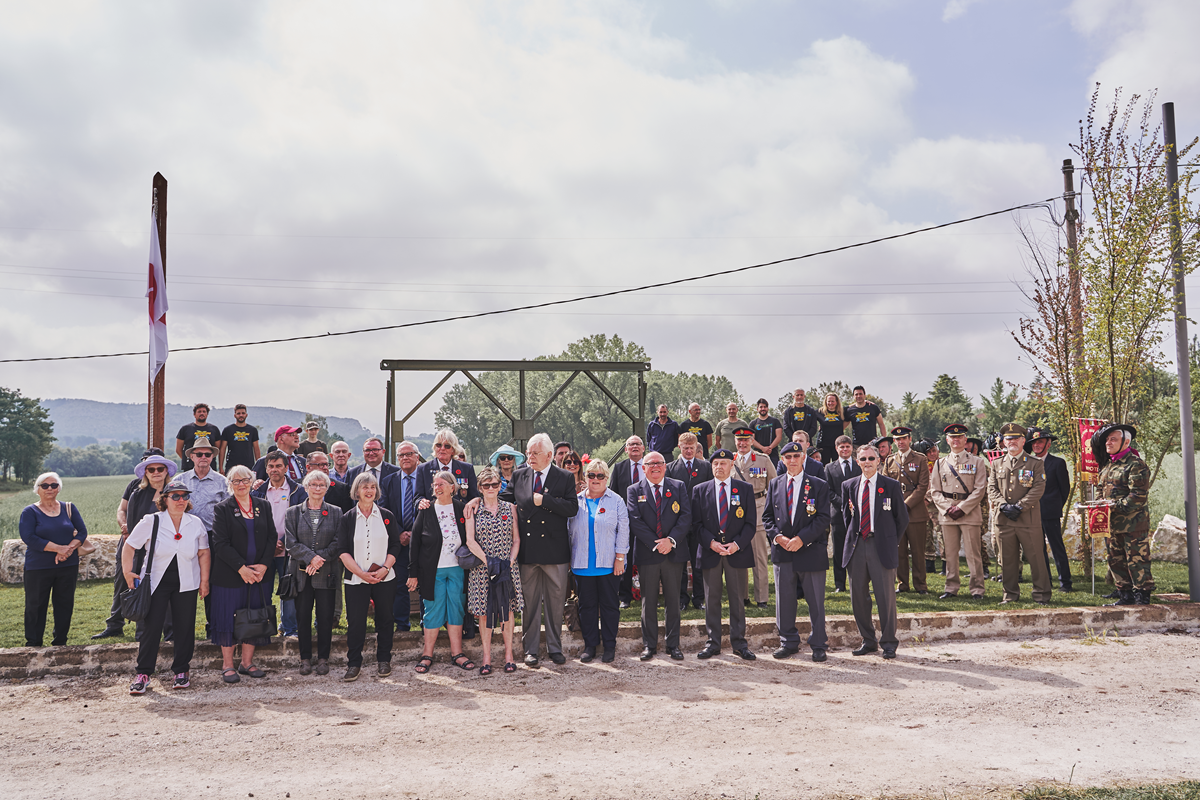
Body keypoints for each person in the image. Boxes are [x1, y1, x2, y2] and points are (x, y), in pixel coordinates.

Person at [123, 481, 210, 694]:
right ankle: (143, 673)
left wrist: (204, 580)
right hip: (156, 582)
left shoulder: (195, 523)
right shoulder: (152, 521)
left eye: (184, 496)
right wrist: (127, 572)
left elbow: (203, 552)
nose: (181, 500)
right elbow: (130, 545)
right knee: (151, 628)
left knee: (184, 627)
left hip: (187, 581)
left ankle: (181, 671)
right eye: (175, 496)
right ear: (165, 499)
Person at [512, 432, 579, 667]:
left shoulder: (564, 477)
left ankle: (554, 648)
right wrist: (477, 500)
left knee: (555, 603)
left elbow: (572, 508)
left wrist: (545, 501)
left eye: (535, 453)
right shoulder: (519, 475)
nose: (530, 457)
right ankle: (530, 650)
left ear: (549, 455)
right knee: (529, 604)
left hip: (554, 550)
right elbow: (504, 500)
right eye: (528, 453)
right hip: (528, 551)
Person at [762, 442, 831, 662]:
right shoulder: (775, 483)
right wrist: (778, 537)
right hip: (783, 551)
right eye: (788, 457)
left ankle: (818, 644)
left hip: (810, 550)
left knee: (815, 601)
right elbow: (767, 517)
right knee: (784, 600)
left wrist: (801, 539)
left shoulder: (818, 485)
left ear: (803, 458)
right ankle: (788, 642)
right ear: (782, 460)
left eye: (796, 456)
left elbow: (823, 518)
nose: (792, 460)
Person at [209, 465, 277, 684]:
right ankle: (227, 665)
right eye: (236, 481)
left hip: (259, 576)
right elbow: (220, 543)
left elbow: (272, 537)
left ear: (252, 481)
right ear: (230, 484)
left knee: (254, 616)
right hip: (230, 576)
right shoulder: (222, 509)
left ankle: (247, 663)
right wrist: (242, 568)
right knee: (228, 618)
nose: (241, 484)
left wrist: (264, 565)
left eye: (245, 480)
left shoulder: (263, 505)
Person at [93, 449, 170, 640]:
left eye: (159, 468)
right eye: (149, 467)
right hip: (135, 546)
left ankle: (168, 632)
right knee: (126, 583)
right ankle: (118, 624)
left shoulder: (173, 492)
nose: (155, 471)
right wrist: (126, 530)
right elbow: (125, 512)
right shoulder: (136, 490)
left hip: (162, 550)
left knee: (165, 590)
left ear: (166, 469)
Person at [841, 444, 909, 659]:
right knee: (858, 598)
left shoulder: (891, 485)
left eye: (871, 458)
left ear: (879, 461)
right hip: (857, 546)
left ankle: (889, 642)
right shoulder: (849, 485)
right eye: (863, 459)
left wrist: (890, 541)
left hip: (881, 547)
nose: (867, 462)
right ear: (857, 462)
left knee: (885, 598)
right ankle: (868, 641)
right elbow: (846, 517)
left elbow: (902, 519)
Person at [692, 448, 757, 661]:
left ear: (731, 465)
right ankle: (713, 644)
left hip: (736, 552)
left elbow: (750, 523)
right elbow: (696, 524)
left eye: (723, 463)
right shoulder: (700, 490)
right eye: (715, 464)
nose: (719, 467)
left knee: (737, 599)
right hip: (711, 552)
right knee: (711, 599)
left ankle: (739, 644)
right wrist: (711, 543)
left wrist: (737, 544)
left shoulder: (744, 489)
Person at [338, 472, 402, 681]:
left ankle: (384, 660)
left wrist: (385, 569)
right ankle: (354, 663)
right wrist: (361, 574)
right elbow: (342, 551)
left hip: (385, 577)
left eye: (373, 487)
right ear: (356, 491)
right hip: (356, 579)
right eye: (365, 487)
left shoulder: (386, 515)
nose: (369, 491)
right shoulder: (347, 518)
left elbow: (395, 545)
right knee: (356, 622)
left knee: (385, 619)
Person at [627, 451, 691, 661]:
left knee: (673, 600)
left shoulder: (678, 486)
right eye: (651, 463)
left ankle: (673, 645)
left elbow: (685, 516)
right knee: (649, 601)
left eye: (659, 463)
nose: (655, 466)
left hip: (673, 552)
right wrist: (657, 544)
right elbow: (635, 520)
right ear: (643, 468)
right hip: (648, 553)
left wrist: (670, 541)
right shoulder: (633, 490)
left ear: (665, 466)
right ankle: (649, 645)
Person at [408, 471, 471, 674]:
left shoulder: (461, 508)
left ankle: (457, 653)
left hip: (457, 569)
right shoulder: (426, 510)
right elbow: (415, 542)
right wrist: (413, 573)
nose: (437, 487)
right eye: (435, 484)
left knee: (456, 609)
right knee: (433, 610)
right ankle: (427, 655)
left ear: (453, 487)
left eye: (442, 484)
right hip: (432, 570)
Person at [566, 459, 628, 663]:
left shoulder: (616, 501)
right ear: (585, 477)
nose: (595, 479)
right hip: (582, 564)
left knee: (610, 606)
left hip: (609, 564)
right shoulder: (575, 501)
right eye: (591, 475)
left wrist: (620, 557)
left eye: (600, 475)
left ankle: (609, 646)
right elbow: (567, 531)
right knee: (587, 607)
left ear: (606, 478)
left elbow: (623, 531)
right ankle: (590, 645)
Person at [464, 466, 523, 674]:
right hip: (482, 569)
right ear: (480, 487)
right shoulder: (473, 510)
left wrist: (510, 561)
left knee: (507, 611)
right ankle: (486, 657)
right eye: (486, 485)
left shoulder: (510, 508)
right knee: (484, 613)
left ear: (500, 486)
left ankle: (509, 656)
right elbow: (470, 541)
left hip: (507, 567)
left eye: (494, 484)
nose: (491, 488)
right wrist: (488, 561)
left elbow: (516, 539)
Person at [285, 470, 344, 675]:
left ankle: (323, 658)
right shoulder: (292, 512)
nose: (317, 488)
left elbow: (338, 541)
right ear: (306, 487)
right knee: (303, 617)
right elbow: (291, 544)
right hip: (301, 574)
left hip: (326, 572)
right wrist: (311, 558)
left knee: (325, 617)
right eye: (313, 484)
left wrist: (319, 559)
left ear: (326, 489)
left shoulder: (336, 512)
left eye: (321, 485)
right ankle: (305, 659)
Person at [20, 472, 88, 647]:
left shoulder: (69, 508)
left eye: (54, 485)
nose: (49, 488)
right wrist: (59, 548)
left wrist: (68, 550)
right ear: (38, 489)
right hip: (38, 567)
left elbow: (82, 532)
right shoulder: (30, 512)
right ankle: (33, 644)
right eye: (45, 485)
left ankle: (60, 643)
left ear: (59, 488)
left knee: (64, 604)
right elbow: (29, 537)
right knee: (35, 606)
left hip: (68, 565)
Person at [987, 423, 1051, 605]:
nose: (1012, 441)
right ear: (1004, 442)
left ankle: (1041, 594)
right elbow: (991, 488)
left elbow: (1038, 487)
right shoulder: (997, 463)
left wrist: (1019, 507)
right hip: (1004, 519)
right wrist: (1003, 506)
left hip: (1027, 519)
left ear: (1023, 441)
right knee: (1007, 560)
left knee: (1036, 558)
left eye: (1016, 438)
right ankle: (1010, 595)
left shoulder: (1035, 463)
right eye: (1008, 439)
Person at [1093, 423, 1154, 605]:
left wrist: (1112, 506)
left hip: (1133, 524)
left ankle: (1142, 596)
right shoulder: (1108, 465)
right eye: (1107, 439)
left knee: (1137, 561)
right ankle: (1125, 595)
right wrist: (1098, 504)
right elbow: (1100, 488)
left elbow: (1138, 496)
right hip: (1112, 524)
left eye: (1113, 439)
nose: (1108, 442)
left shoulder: (1136, 465)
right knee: (1115, 560)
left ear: (1126, 442)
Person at [928, 424, 989, 599]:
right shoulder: (940, 463)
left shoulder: (977, 462)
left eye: (959, 437)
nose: (956, 440)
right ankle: (951, 587)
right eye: (952, 437)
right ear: (947, 440)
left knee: (973, 554)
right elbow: (935, 491)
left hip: (969, 513)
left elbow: (980, 489)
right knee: (950, 554)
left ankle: (977, 589)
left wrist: (962, 508)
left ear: (965, 440)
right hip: (948, 514)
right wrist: (948, 508)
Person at [251, 450, 300, 638]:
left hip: (289, 550)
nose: (274, 470)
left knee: (288, 591)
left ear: (286, 468)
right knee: (263, 591)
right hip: (264, 551)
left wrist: (283, 542)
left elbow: (300, 520)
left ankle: (289, 629)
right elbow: (253, 522)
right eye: (270, 466)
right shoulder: (257, 492)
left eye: (278, 466)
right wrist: (269, 544)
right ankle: (265, 629)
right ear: (266, 469)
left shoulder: (297, 491)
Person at [379, 440, 422, 631]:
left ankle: (427, 624)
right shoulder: (389, 481)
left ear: (417, 456)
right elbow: (383, 510)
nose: (405, 458)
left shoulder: (426, 479)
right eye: (401, 455)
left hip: (424, 541)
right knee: (400, 584)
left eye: (409, 454)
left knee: (426, 584)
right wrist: (399, 533)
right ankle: (402, 625)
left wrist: (416, 533)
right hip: (399, 542)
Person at [667, 432, 713, 610]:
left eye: (691, 448)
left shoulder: (705, 467)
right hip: (678, 523)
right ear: (679, 447)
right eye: (685, 448)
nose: (688, 451)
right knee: (679, 563)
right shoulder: (671, 468)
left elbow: (709, 494)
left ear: (696, 448)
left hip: (698, 522)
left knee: (698, 562)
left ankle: (699, 599)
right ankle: (681, 599)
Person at [732, 426, 776, 607]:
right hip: (736, 513)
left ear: (752, 441)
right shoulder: (729, 460)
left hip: (758, 509)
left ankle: (761, 598)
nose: (742, 443)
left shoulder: (763, 460)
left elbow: (774, 485)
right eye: (739, 440)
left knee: (759, 557)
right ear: (735, 441)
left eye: (746, 440)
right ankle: (742, 597)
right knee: (739, 557)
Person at [883, 427, 930, 596]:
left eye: (904, 438)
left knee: (918, 551)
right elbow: (884, 486)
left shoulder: (920, 459)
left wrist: (906, 505)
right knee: (899, 550)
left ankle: (920, 584)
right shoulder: (890, 460)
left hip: (915, 511)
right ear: (894, 442)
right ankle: (902, 583)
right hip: (895, 513)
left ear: (910, 439)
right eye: (897, 439)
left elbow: (923, 486)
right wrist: (893, 507)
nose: (901, 442)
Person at [1026, 428, 1073, 592]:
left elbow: (1064, 489)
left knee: (1056, 548)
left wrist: (1055, 506)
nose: (1036, 446)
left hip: (1050, 512)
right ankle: (1045, 580)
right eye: (1034, 443)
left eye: (1040, 442)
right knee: (1038, 550)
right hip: (1032, 513)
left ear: (1048, 444)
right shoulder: (1027, 463)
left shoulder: (1057, 463)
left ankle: (1065, 582)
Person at [608, 435, 647, 608]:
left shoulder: (650, 465)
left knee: (648, 559)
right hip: (625, 521)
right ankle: (625, 596)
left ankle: (648, 594)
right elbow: (613, 493)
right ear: (626, 449)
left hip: (648, 521)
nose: (635, 447)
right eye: (631, 444)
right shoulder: (619, 467)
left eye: (638, 444)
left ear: (643, 448)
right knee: (626, 558)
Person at [824, 435, 860, 593]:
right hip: (837, 515)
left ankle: (858, 582)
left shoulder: (859, 465)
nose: (845, 449)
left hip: (859, 514)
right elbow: (828, 491)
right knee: (839, 550)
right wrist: (844, 503)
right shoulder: (829, 468)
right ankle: (840, 584)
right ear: (836, 448)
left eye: (847, 446)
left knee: (858, 549)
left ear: (852, 448)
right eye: (842, 447)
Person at [415, 429, 477, 502]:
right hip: (433, 508)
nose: (442, 448)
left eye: (447, 446)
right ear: (435, 448)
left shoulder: (467, 469)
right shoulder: (423, 469)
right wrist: (421, 502)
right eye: (439, 445)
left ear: (453, 450)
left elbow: (474, 496)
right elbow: (417, 497)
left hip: (460, 509)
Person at [175, 403, 222, 472]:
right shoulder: (185, 429)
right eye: (199, 411)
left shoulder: (214, 429)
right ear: (194, 414)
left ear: (207, 414)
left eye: (204, 411)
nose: (202, 413)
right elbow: (178, 449)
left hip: (210, 466)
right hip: (189, 467)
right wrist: (191, 459)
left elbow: (217, 448)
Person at [219, 404, 260, 473]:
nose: (241, 415)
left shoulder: (252, 430)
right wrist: (221, 468)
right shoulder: (227, 430)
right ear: (234, 415)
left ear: (246, 415)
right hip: (231, 466)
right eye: (238, 413)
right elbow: (222, 449)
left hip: (249, 466)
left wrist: (259, 467)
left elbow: (256, 449)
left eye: (243, 413)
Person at [817, 393, 849, 464]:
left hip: (838, 444)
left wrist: (865, 401)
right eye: (829, 401)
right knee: (824, 465)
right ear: (826, 402)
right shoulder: (820, 412)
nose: (830, 403)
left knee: (838, 465)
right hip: (823, 444)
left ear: (836, 402)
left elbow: (853, 406)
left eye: (832, 401)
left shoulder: (842, 411)